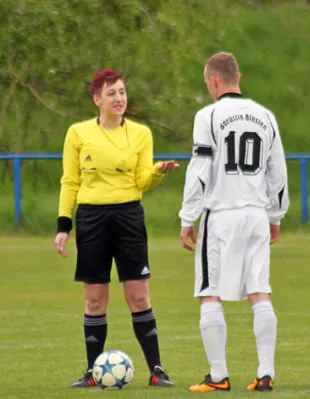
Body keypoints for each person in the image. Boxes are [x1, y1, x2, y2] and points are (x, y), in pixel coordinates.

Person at [54, 69, 179, 388]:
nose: (119, 98)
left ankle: (157, 370)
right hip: (92, 219)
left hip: (128, 218)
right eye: (111, 93)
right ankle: (92, 373)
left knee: (139, 296)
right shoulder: (78, 133)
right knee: (95, 300)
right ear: (97, 99)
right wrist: (63, 225)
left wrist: (157, 172)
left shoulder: (140, 134)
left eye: (122, 92)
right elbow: (70, 181)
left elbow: (140, 181)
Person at [179, 52, 290, 393]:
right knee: (260, 292)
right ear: (236, 77)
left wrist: (187, 217)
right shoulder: (266, 116)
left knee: (209, 292)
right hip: (256, 214)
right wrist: (276, 215)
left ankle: (217, 376)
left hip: (222, 215)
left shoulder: (208, 115)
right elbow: (278, 173)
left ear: (214, 80)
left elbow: (199, 169)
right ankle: (266, 373)